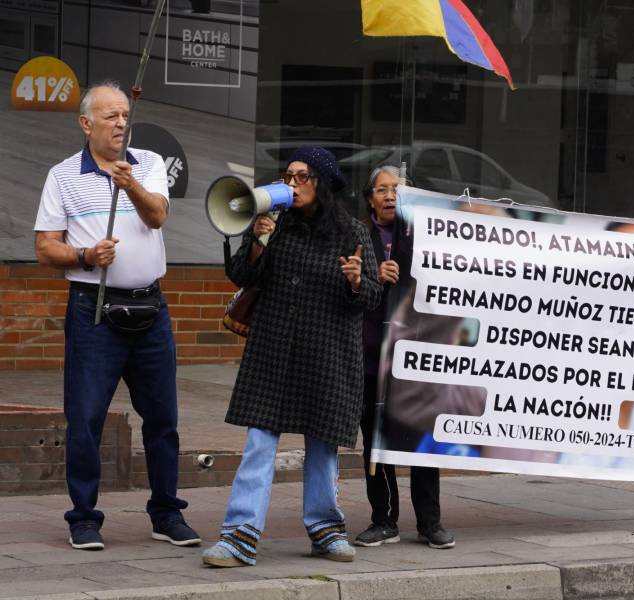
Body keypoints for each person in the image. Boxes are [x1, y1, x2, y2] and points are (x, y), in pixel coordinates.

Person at [33, 81, 199, 551]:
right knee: (85, 418)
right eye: (110, 116)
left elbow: (158, 217)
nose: (121, 124)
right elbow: (45, 247)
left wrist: (131, 186)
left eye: (125, 115)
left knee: (163, 416)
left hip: (151, 306)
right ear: (86, 123)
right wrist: (84, 255)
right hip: (94, 310)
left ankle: (167, 513)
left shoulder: (146, 164)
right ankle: (84, 517)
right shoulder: (63, 175)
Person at [201, 146, 381, 567]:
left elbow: (371, 297)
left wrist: (356, 280)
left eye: (302, 177)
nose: (292, 184)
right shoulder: (272, 225)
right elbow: (242, 277)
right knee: (259, 442)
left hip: (328, 355)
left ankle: (325, 530)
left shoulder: (351, 232)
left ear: (322, 183)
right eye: (288, 176)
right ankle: (239, 536)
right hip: (274, 352)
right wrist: (258, 241)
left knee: (322, 446)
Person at [354, 165, 456, 550]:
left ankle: (430, 523)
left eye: (398, 189)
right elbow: (346, 287)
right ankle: (384, 520)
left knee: (421, 440)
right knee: (375, 442)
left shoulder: (427, 237)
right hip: (371, 355)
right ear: (370, 199)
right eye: (382, 189)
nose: (390, 195)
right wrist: (373, 274)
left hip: (416, 354)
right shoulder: (357, 235)